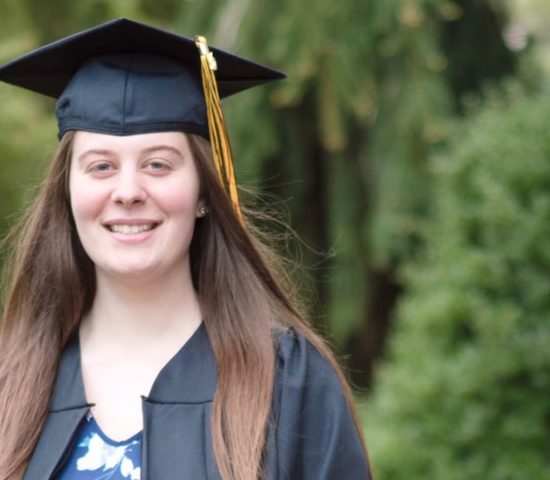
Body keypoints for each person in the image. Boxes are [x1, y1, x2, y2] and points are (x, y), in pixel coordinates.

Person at [0, 18, 371, 480]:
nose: (128, 191)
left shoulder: (288, 382)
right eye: (100, 166)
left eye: (158, 164)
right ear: (66, 192)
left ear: (201, 191)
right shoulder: (13, 378)